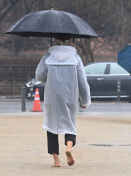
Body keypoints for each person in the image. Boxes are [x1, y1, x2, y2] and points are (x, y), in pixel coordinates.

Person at [35, 37, 91, 167]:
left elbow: (39, 74)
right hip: (70, 95)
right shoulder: (75, 57)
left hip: (52, 95)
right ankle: (69, 148)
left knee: (51, 125)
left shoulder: (48, 55)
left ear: (55, 41)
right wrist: (85, 100)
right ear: (70, 41)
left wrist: (48, 79)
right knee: (70, 123)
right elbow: (82, 80)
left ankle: (56, 160)